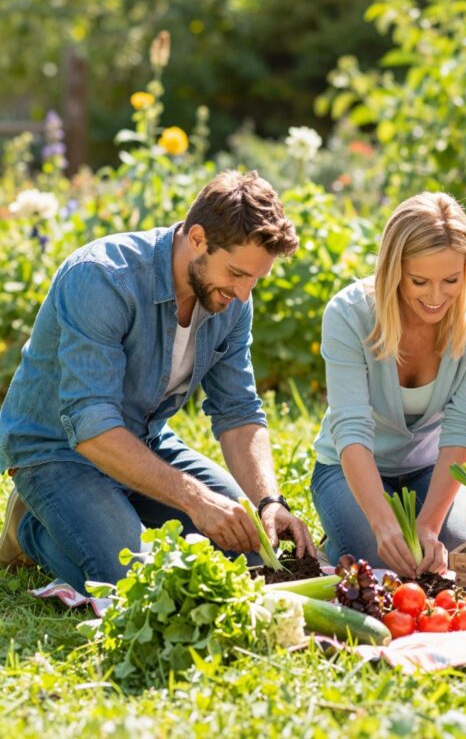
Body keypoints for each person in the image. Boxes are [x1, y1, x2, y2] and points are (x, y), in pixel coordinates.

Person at [0, 170, 315, 593]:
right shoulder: (102, 277)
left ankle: (109, 511)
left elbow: (238, 412)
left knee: (251, 550)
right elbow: (91, 426)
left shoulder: (232, 299)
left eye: (255, 280)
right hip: (58, 450)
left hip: (144, 441)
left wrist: (268, 502)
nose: (243, 294)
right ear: (198, 238)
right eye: (237, 274)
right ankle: (31, 529)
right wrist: (196, 500)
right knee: (137, 582)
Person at [311, 192, 466, 577]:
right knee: (382, 558)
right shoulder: (349, 314)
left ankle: (399, 530)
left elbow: (465, 424)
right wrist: (383, 524)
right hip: (349, 469)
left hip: (429, 469)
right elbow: (351, 428)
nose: (436, 297)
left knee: (460, 552)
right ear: (394, 270)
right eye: (419, 281)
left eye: (451, 280)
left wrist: (429, 525)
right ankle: (337, 544)